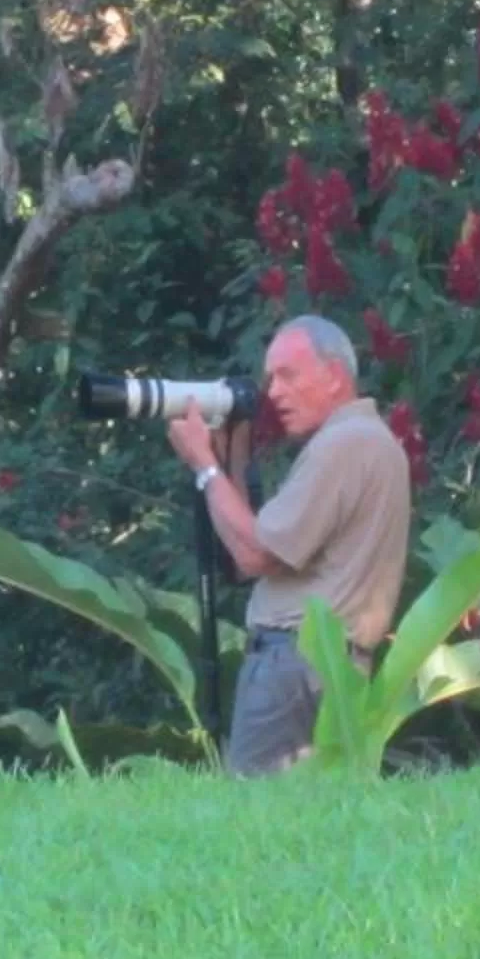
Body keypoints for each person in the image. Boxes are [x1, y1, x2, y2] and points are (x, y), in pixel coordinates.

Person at [166, 314, 413, 776]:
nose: (273, 392)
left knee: (256, 822)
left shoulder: (342, 445)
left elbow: (253, 554)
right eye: (269, 379)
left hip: (294, 666)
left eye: (287, 375)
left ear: (335, 376)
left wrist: (203, 465)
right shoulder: (373, 440)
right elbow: (254, 556)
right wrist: (231, 457)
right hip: (327, 667)